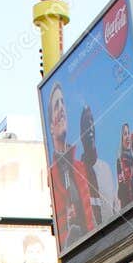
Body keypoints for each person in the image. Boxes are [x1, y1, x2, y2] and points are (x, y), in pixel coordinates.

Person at [45, 83, 94, 249]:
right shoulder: (51, 177)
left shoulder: (81, 168)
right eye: (56, 105)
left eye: (63, 103)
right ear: (51, 127)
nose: (61, 109)